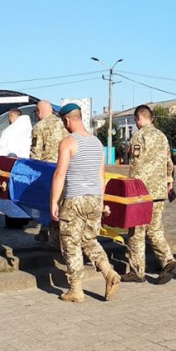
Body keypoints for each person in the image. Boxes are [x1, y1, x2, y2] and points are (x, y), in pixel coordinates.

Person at [50, 103, 121, 303]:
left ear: (66, 120)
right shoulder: (98, 143)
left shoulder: (68, 142)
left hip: (75, 199)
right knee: (89, 240)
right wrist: (100, 201)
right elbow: (101, 176)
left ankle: (76, 290)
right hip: (95, 198)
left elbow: (59, 174)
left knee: (71, 244)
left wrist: (54, 201)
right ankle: (109, 273)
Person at [122, 105, 176, 285]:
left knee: (136, 231)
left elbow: (137, 166)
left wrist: (131, 190)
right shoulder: (162, 137)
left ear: (139, 118)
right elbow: (169, 163)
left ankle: (137, 271)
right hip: (159, 192)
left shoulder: (139, 136)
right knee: (154, 229)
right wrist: (169, 184)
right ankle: (168, 261)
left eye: (135, 120)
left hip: (143, 193)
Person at [30, 100, 69, 245]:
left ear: (39, 111)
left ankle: (53, 240)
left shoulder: (39, 127)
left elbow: (35, 154)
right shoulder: (64, 124)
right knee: (62, 203)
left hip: (47, 171)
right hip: (66, 169)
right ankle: (51, 233)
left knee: (49, 205)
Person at [0, 108, 33, 229]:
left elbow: (1, 149)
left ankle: (13, 221)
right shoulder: (29, 130)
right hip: (26, 169)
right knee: (23, 193)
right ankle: (24, 219)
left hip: (11, 168)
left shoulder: (10, 131)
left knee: (11, 194)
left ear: (11, 116)